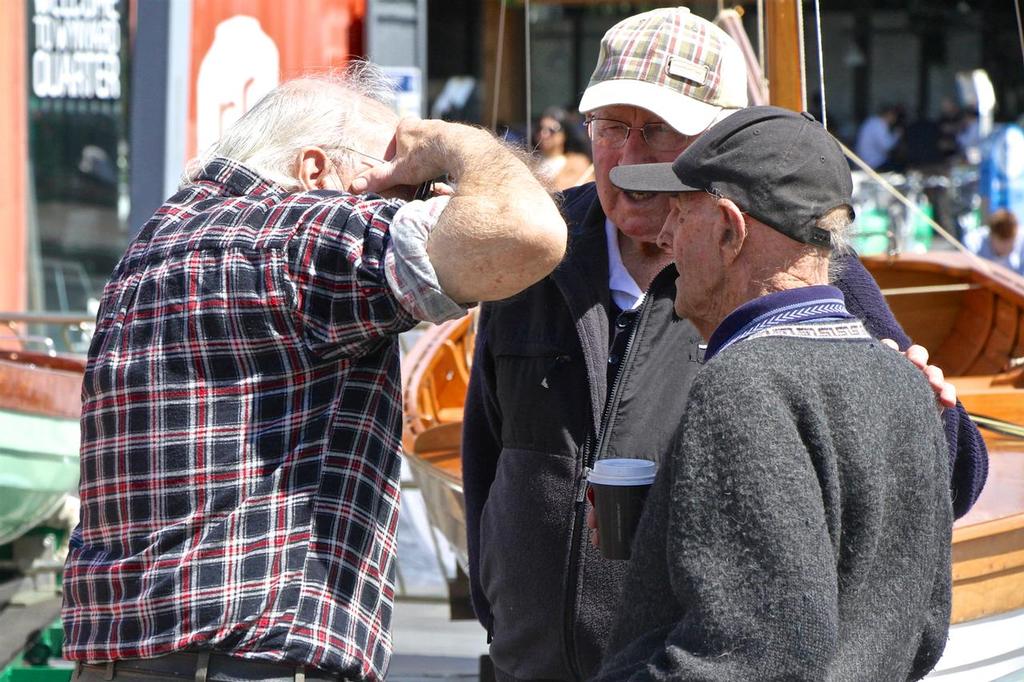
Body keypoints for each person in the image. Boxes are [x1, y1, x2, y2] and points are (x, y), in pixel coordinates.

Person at [461, 7, 986, 681]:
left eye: (657, 131)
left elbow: (949, 478)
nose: (626, 158)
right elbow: (485, 456)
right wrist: (504, 619)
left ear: (720, 145)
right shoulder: (535, 249)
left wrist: (928, 411)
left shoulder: (793, 263)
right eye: (611, 127)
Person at [62, 63, 567, 682]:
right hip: (248, 664)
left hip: (124, 663)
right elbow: (528, 230)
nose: (406, 201)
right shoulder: (298, 239)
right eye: (397, 183)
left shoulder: (159, 241)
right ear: (315, 171)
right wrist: (448, 142)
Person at [595, 104, 952, 682]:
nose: (662, 234)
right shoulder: (903, 382)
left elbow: (747, 658)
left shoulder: (743, 386)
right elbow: (924, 630)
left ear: (730, 231)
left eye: (681, 212)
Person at [533, 106, 594, 190]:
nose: (544, 134)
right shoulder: (530, 163)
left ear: (564, 134)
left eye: (551, 130)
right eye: (540, 129)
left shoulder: (578, 164)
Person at [965, 208, 1024, 274]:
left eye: (1010, 240)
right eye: (1003, 241)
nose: (1007, 246)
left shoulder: (1021, 242)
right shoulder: (974, 243)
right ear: (991, 236)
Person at [855, 103, 904, 170]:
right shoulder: (879, 125)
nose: (895, 119)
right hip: (872, 163)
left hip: (864, 160)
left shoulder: (871, 121)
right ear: (889, 114)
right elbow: (887, 146)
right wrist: (897, 135)